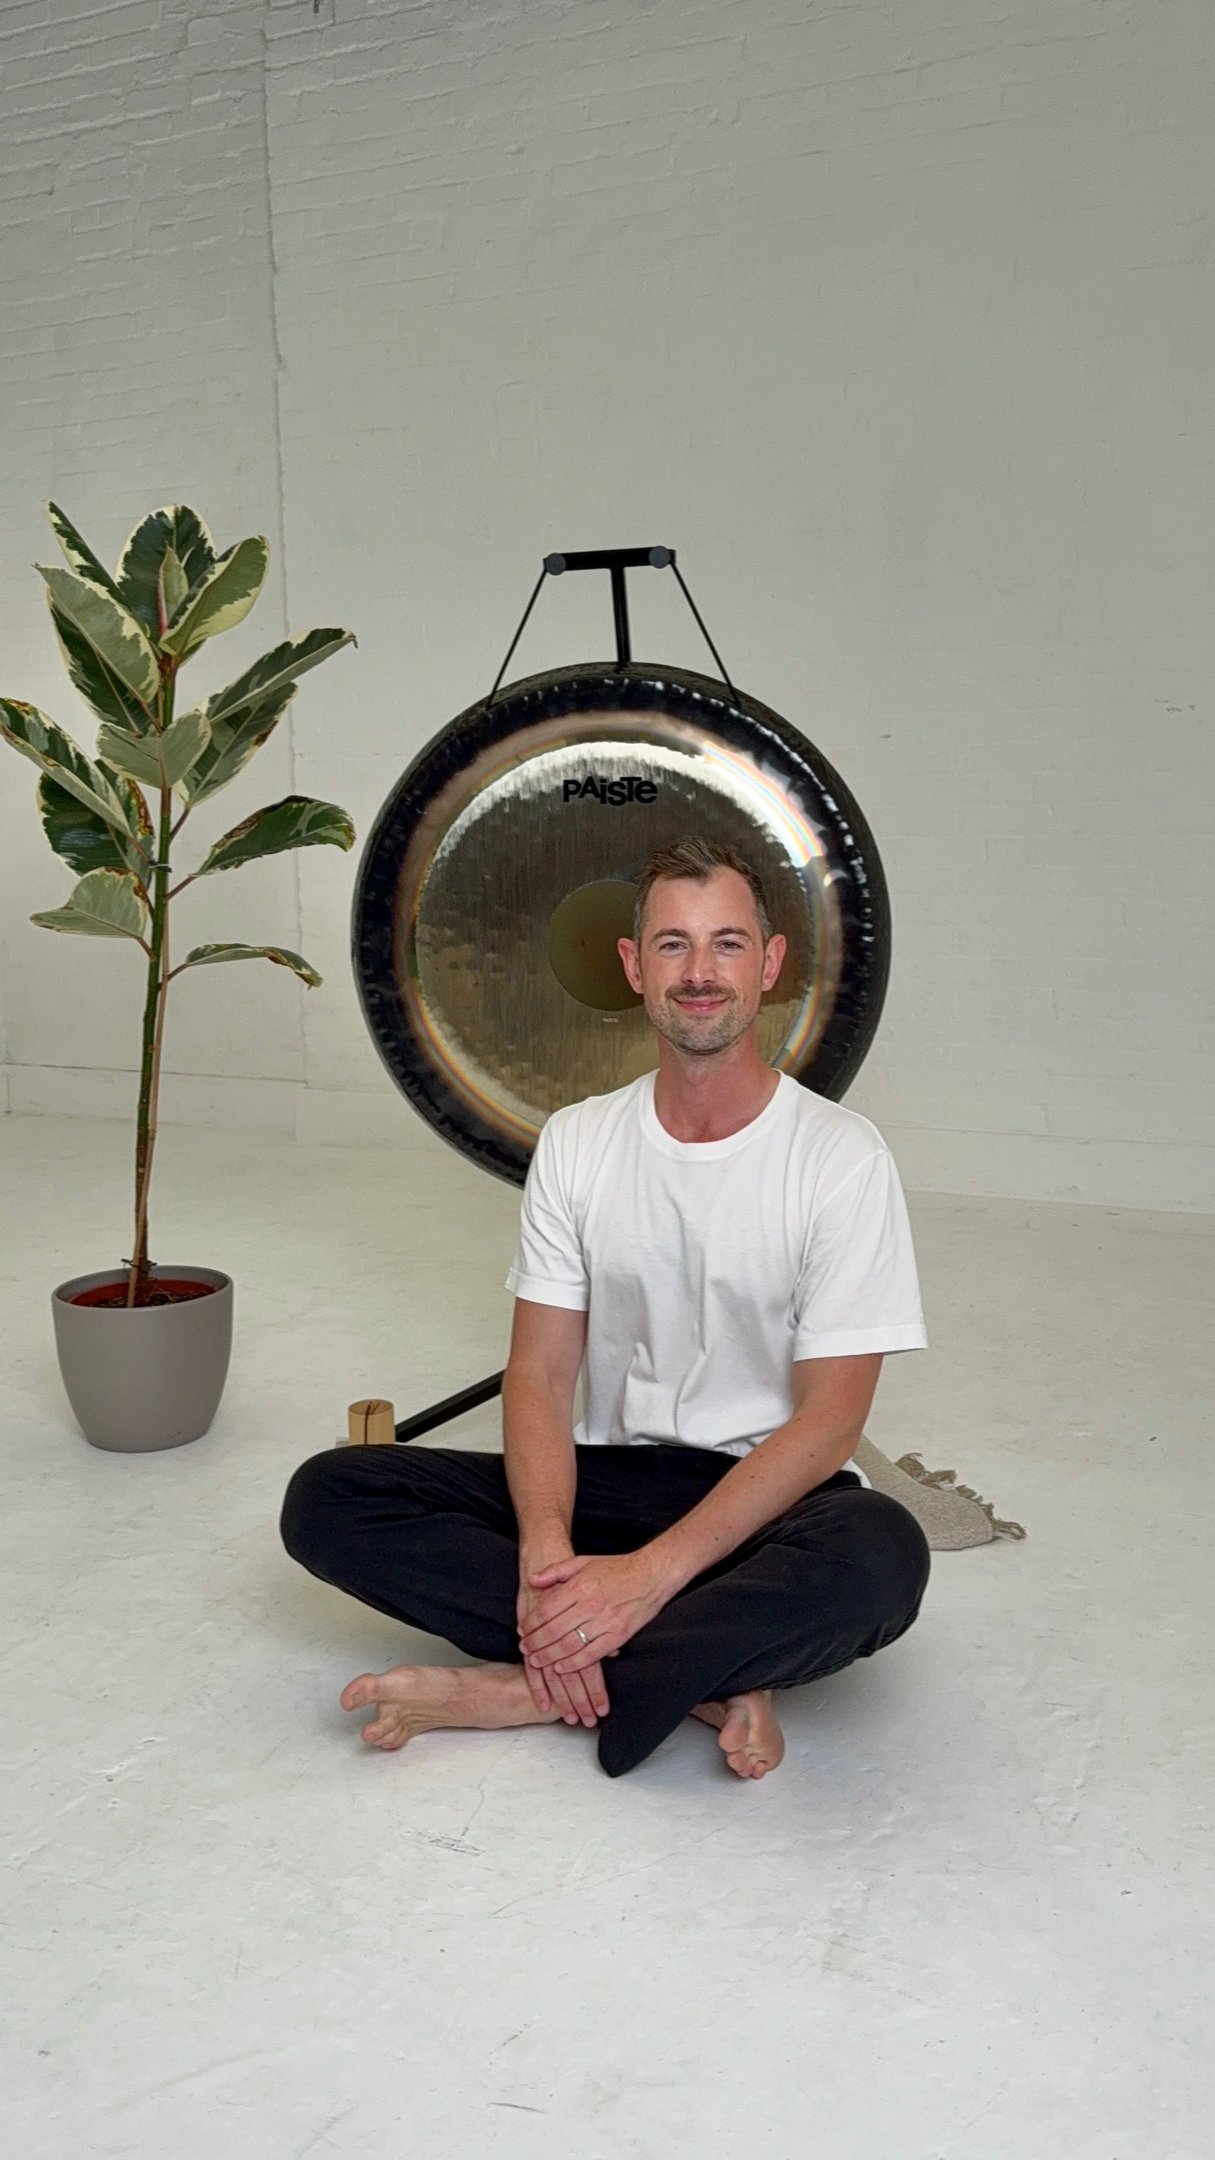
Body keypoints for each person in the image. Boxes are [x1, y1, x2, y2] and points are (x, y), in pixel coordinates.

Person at [280, 835, 931, 1780]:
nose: (699, 973)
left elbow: (831, 1424)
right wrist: (551, 1555)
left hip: (762, 1503)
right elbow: (539, 1376)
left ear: (770, 962)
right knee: (329, 1495)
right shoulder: (579, 1143)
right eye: (671, 944)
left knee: (883, 1553)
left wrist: (646, 1579)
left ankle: (519, 1690)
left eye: (726, 944)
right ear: (632, 966)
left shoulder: (841, 1158)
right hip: (607, 1484)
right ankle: (697, 1671)